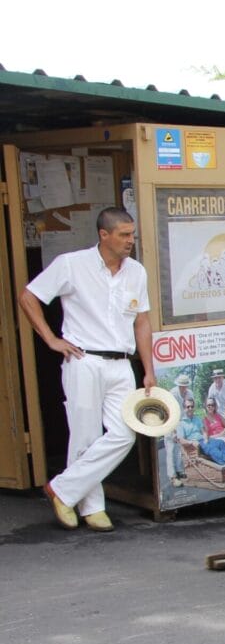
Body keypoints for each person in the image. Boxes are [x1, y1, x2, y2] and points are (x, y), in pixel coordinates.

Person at [18, 207, 155, 532]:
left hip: (121, 362)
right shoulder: (72, 264)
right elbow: (28, 296)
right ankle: (92, 508)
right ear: (103, 235)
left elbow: (142, 322)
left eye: (132, 234)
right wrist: (51, 338)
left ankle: (63, 490)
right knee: (85, 435)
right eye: (124, 235)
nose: (130, 241)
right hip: (84, 359)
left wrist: (148, 369)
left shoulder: (136, 272)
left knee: (125, 434)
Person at [171, 399, 225, 482]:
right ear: (184, 408)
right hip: (194, 444)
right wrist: (191, 442)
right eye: (188, 407)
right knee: (211, 449)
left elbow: (204, 431)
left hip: (203, 439)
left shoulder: (197, 419)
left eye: (192, 406)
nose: (190, 408)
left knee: (221, 443)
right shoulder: (181, 424)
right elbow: (181, 440)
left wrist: (206, 438)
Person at [165, 374, 195, 483]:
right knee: (171, 448)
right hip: (170, 421)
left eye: (185, 385)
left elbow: (190, 409)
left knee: (180, 449)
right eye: (181, 385)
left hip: (182, 423)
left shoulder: (190, 393)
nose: (183, 387)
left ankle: (179, 471)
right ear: (178, 385)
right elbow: (169, 412)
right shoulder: (172, 394)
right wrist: (173, 431)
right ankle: (172, 476)